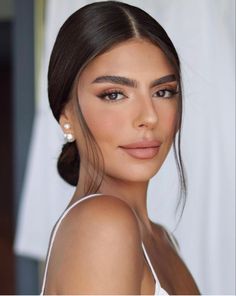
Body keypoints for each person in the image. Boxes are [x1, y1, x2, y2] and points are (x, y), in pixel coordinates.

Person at [40, 1, 200, 294]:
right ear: (67, 116)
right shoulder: (102, 225)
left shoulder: (162, 238)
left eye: (163, 92)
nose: (149, 117)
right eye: (114, 95)